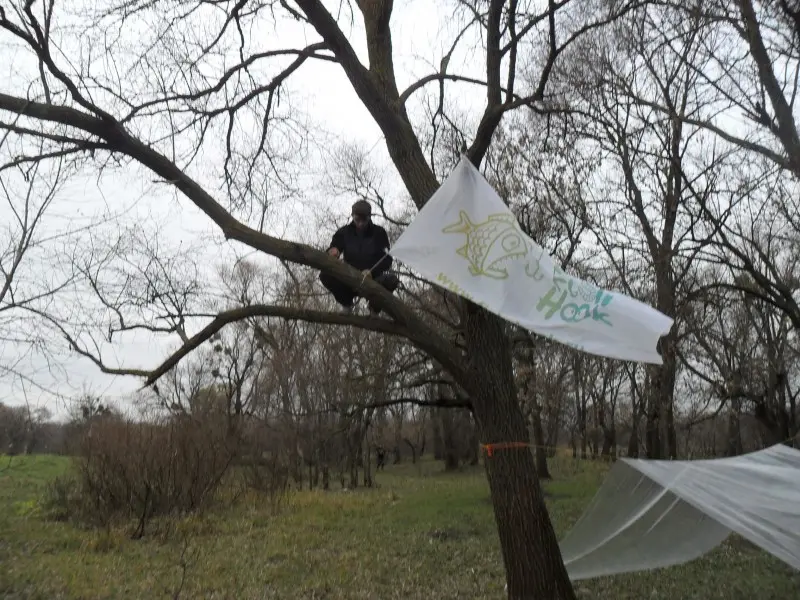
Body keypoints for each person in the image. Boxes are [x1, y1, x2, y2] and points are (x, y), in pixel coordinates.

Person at [319, 200, 399, 315]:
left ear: (369, 217)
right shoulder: (344, 232)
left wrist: (372, 272)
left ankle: (374, 308)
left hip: (373, 280)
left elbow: (387, 259)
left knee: (392, 280)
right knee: (325, 275)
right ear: (352, 216)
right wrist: (332, 252)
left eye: (364, 220)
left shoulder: (379, 233)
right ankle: (346, 303)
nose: (360, 224)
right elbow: (334, 248)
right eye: (357, 220)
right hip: (349, 278)